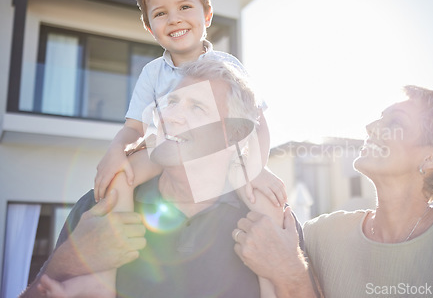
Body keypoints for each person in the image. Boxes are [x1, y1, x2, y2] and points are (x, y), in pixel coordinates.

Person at [23, 58, 300, 298]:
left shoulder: (270, 221)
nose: (170, 116)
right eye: (172, 102)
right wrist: (68, 260)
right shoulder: (101, 206)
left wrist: (289, 272)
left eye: (197, 108)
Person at [234, 85, 433, 297]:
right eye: (379, 118)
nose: (370, 127)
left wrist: (291, 274)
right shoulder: (322, 235)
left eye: (395, 123)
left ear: (431, 158)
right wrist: (253, 165)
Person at [93, 0, 284, 208]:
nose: (174, 19)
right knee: (121, 174)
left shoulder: (227, 66)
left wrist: (257, 167)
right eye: (161, 13)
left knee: (255, 189)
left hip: (219, 155)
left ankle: (266, 236)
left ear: (207, 15)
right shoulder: (152, 73)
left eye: (185, 7)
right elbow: (133, 128)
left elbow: (258, 123)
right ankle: (121, 233)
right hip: (165, 150)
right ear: (151, 28)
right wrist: (115, 149)